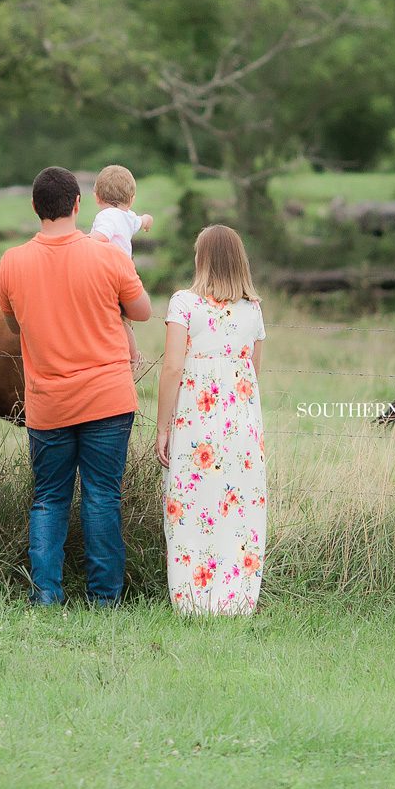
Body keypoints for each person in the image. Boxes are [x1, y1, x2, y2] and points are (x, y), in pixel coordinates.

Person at [0, 166, 153, 606]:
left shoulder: (11, 263)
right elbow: (141, 312)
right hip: (107, 397)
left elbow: (13, 324)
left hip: (48, 403)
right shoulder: (109, 257)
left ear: (34, 208)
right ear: (78, 205)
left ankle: (45, 593)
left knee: (49, 498)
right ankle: (105, 598)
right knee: (102, 497)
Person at [154, 224, 267, 616]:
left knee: (191, 503)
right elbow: (254, 370)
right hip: (240, 423)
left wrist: (162, 427)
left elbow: (171, 369)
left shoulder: (184, 304)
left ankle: (193, 599)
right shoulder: (252, 308)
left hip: (195, 422)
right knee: (238, 506)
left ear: (201, 258)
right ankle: (234, 598)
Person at [88, 164, 154, 374]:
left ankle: (129, 357)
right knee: (122, 318)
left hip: (108, 274)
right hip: (126, 274)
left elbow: (101, 238)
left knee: (111, 315)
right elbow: (143, 219)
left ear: (97, 197)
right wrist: (147, 221)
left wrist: (80, 240)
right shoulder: (128, 216)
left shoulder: (106, 217)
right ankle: (133, 356)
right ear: (131, 199)